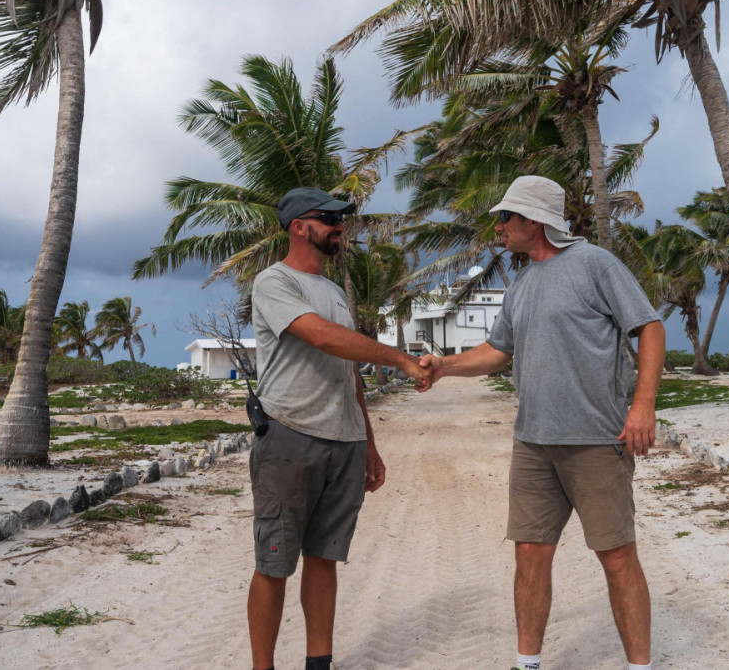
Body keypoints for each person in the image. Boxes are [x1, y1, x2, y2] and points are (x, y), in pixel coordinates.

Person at [421, 175, 666, 670]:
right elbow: (496, 352)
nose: (498, 226)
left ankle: (641, 667)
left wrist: (643, 406)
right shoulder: (522, 283)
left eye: (505, 217)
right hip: (532, 444)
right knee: (530, 554)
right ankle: (527, 664)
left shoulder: (595, 264)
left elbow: (651, 327)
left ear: (534, 221)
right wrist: (443, 366)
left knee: (617, 558)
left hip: (597, 441)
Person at [246, 187, 433, 670]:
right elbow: (323, 337)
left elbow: (349, 370)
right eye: (328, 218)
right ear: (298, 227)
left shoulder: (332, 291)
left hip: (344, 441)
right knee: (274, 562)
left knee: (324, 558)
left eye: (341, 218)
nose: (339, 226)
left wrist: (369, 443)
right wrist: (402, 361)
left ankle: (319, 663)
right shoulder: (273, 282)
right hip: (290, 435)